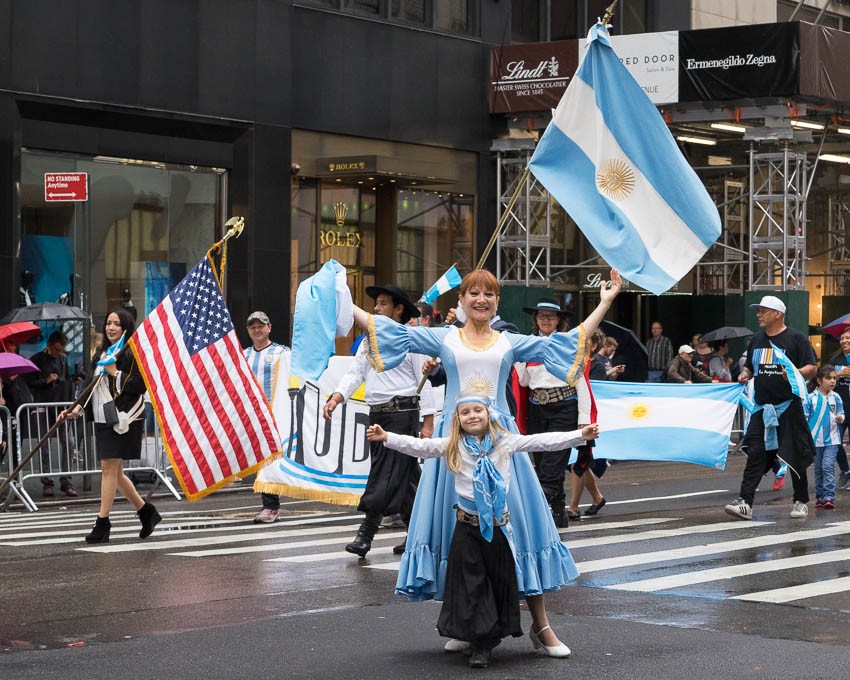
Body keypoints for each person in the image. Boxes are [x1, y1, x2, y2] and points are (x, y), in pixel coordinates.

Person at [350, 267, 621, 657]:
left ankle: (542, 627)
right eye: (473, 293)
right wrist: (344, 298)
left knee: (522, 532)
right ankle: (465, 620)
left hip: (500, 445)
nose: (481, 299)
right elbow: (388, 330)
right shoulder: (444, 338)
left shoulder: (508, 342)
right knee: (456, 535)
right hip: (454, 445)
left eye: (489, 294)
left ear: (497, 302)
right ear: (460, 300)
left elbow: (567, 342)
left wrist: (606, 301)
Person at [366, 391, 598, 668]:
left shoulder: (505, 442)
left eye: (477, 410)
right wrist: (387, 437)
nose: (472, 416)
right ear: (457, 419)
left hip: (499, 528)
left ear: (489, 415)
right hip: (466, 528)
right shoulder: (454, 444)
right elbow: (420, 447)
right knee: (471, 585)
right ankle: (480, 644)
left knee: (498, 583)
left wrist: (579, 435)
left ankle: (492, 637)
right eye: (465, 412)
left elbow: (542, 441)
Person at [324, 284, 435, 558]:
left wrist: (428, 422)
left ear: (399, 310)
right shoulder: (367, 341)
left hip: (402, 413)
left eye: (383, 303)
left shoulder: (411, 337)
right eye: (376, 304)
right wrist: (337, 397)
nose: (376, 308)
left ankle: (366, 533)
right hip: (377, 414)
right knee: (405, 477)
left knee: (384, 474)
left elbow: (426, 380)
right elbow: (355, 372)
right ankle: (421, 533)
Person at [60, 308, 161, 543]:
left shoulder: (133, 353)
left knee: (107, 467)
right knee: (115, 472)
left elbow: (140, 385)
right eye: (108, 323)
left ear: (125, 326)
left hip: (126, 419)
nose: (111, 327)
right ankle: (146, 512)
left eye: (116, 323)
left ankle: (102, 524)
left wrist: (115, 373)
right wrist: (75, 408)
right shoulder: (102, 353)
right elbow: (89, 385)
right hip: (104, 416)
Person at [725, 295, 816, 521]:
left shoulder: (796, 339)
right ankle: (745, 502)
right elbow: (749, 368)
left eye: (763, 311)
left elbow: (812, 367)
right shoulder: (756, 340)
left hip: (788, 407)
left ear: (778, 314)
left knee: (793, 454)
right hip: (761, 408)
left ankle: (801, 500)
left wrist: (795, 373)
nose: (759, 315)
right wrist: (745, 375)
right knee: (755, 453)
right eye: (758, 311)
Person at [515, 297, 576, 528]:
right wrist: (520, 359)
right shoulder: (528, 344)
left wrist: (583, 419)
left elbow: (580, 380)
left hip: (565, 406)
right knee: (542, 463)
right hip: (536, 408)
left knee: (553, 462)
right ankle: (559, 509)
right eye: (542, 316)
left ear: (559, 319)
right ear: (536, 319)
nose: (546, 320)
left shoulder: (568, 343)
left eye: (551, 316)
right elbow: (522, 380)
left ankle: (537, 513)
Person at [244, 311, 291, 524]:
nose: (257, 330)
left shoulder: (282, 353)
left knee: (269, 460)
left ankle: (271, 506)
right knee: (263, 460)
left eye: (260, 326)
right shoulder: (243, 355)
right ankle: (270, 504)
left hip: (276, 413)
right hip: (253, 414)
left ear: (269, 327)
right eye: (253, 327)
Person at [27, 330, 77, 497]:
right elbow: (30, 383)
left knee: (68, 442)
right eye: (56, 349)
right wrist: (46, 381)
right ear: (49, 346)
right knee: (44, 444)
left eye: (61, 350)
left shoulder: (63, 359)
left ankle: (66, 480)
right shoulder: (37, 360)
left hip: (60, 404)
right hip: (43, 404)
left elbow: (67, 379)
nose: (59, 353)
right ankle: (47, 481)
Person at [804, 364, 844, 510]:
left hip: (832, 439)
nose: (833, 381)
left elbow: (842, 412)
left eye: (834, 378)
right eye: (828, 378)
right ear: (820, 381)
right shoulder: (810, 398)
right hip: (815, 440)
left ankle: (829, 496)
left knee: (828, 466)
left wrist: (840, 417)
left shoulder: (836, 397)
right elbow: (805, 417)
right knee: (818, 468)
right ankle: (820, 496)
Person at [826, 328, 850, 490]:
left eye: (848, 338)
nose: (844, 341)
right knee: (835, 442)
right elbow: (824, 379)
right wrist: (838, 374)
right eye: (842, 338)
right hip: (840, 408)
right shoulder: (835, 359)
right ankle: (846, 470)